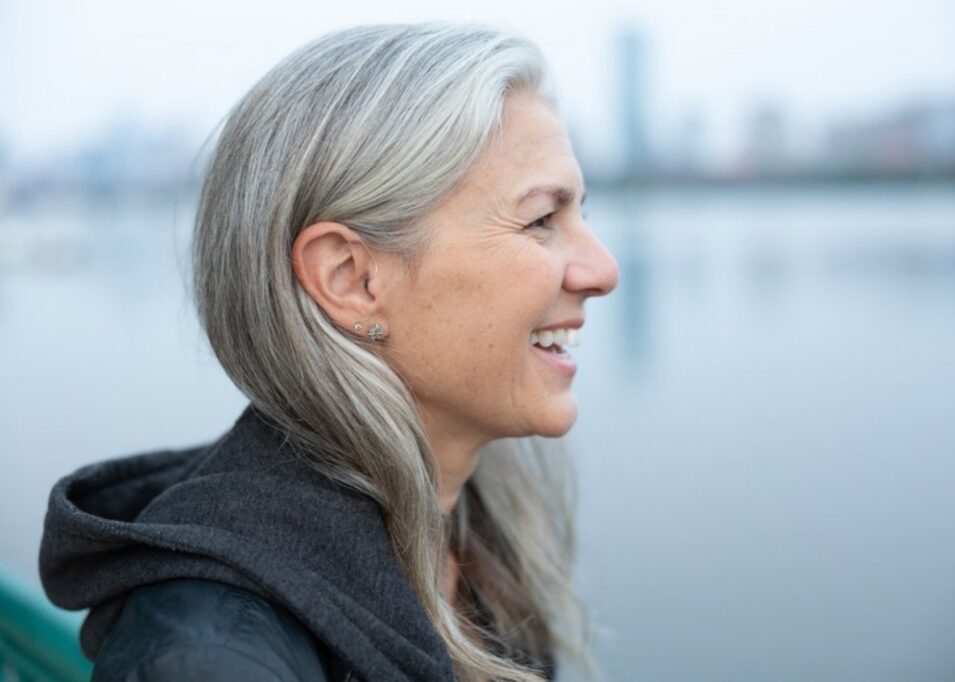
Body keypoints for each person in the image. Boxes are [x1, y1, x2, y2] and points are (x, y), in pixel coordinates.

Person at [38, 20, 619, 682]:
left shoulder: (470, 532)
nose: (602, 268)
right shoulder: (211, 660)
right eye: (542, 218)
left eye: (580, 214)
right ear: (350, 278)